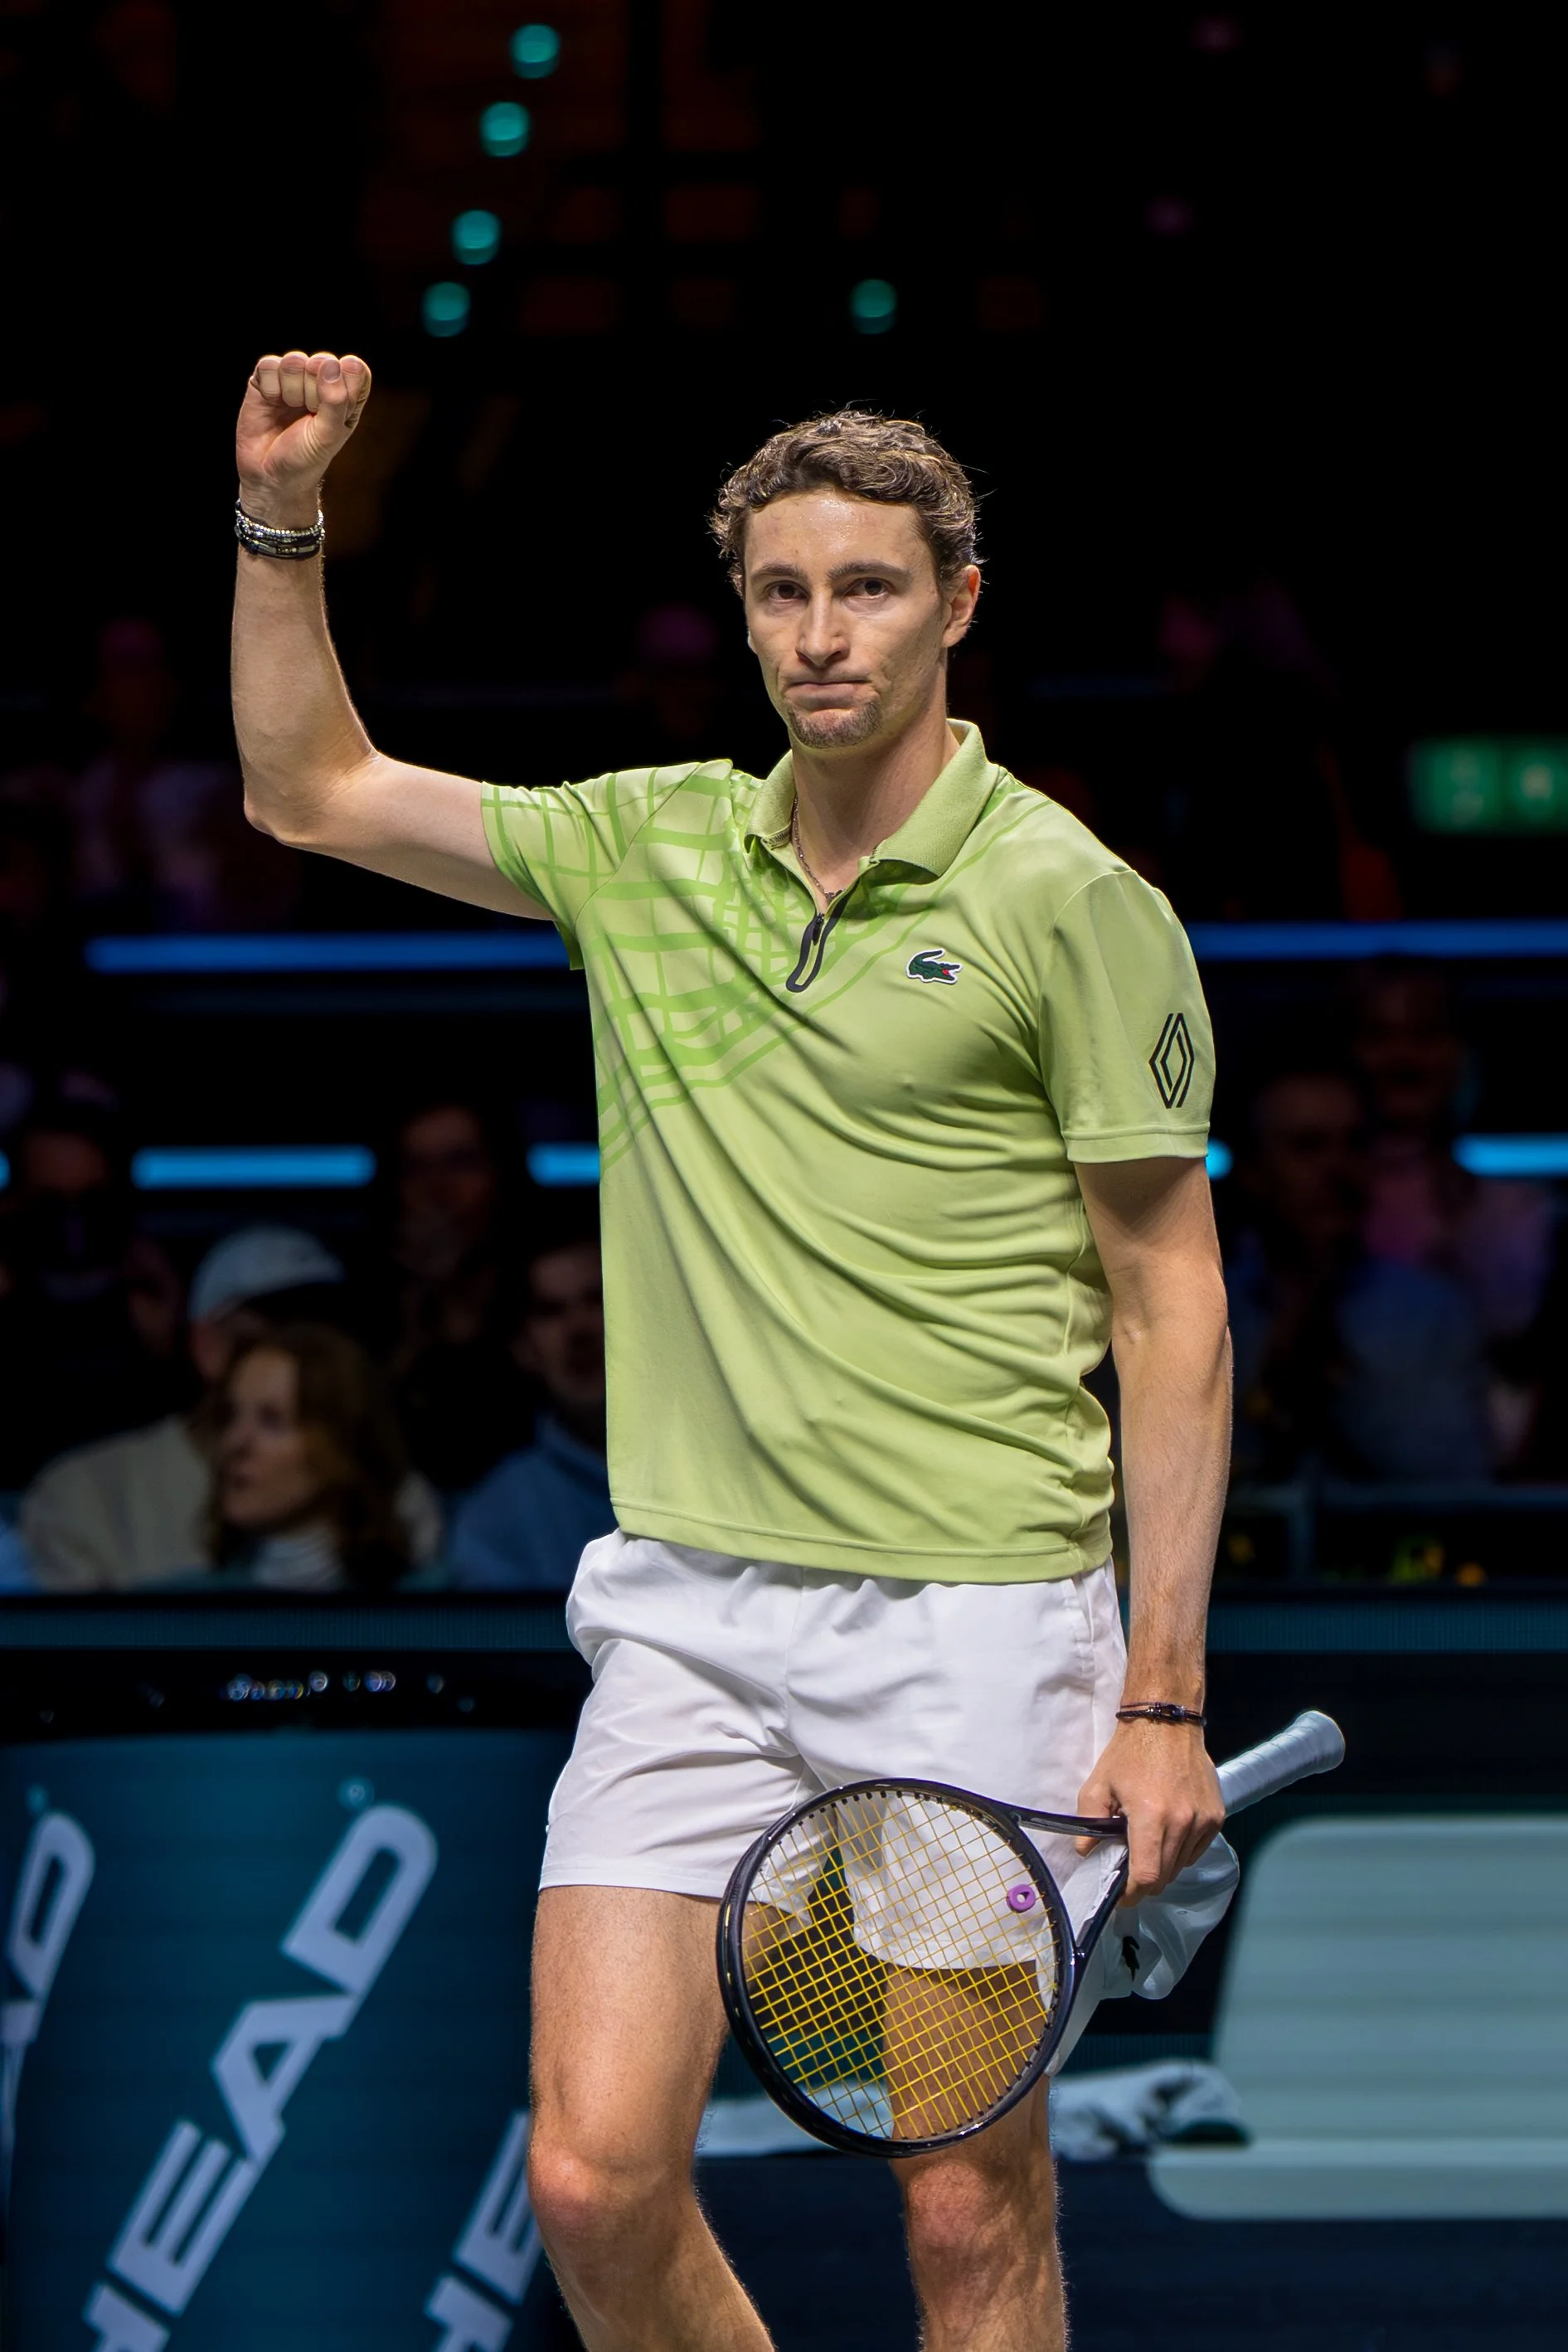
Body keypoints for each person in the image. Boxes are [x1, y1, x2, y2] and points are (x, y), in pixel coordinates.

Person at [232, 352, 1232, 2352]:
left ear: (957, 598)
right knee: (592, 2176)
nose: (819, 633)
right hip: (691, 1608)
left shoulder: (1074, 900)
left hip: (974, 1618)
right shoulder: (647, 847)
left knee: (965, 2208)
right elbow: (306, 790)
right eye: (780, 592)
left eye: (865, 587)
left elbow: (1171, 1301)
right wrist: (283, 518)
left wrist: (1163, 1697)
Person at [21, 1222, 440, 1589]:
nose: (294, 1356)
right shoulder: (86, 1494)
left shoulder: (401, 1497)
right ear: (206, 1346)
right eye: (269, 1330)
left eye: (323, 1338)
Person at [1226, 1064, 1492, 1484]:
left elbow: (1456, 1484)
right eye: (1308, 1146)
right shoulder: (1199, 1314)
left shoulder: (1432, 1313)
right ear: (1251, 1170)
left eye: (1355, 1144)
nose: (1338, 1168)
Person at [1348, 959, 1556, 1465]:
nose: (1403, 1057)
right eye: (1379, 1035)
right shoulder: (1309, 1205)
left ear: (1462, 1054)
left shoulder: (1524, 1216)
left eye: (1426, 1034)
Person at [0, 1092, 183, 1486]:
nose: (75, 1232)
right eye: (48, 1207)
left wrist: (169, 1355)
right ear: (12, 1205)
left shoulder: (162, 1313)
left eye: (95, 1204)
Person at [379, 1096, 536, 1490]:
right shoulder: (368, 1319)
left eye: (460, 1163)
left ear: (502, 1175)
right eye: (416, 1169)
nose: (437, 1189)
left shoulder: (550, 1304)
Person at [449, 1225, 613, 1590]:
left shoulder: (717, 1471)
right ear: (524, 1347)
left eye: (598, 1299)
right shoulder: (493, 1518)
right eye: (550, 1311)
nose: (579, 1329)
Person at [201, 1324, 415, 1592]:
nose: (234, 1443)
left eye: (271, 1420)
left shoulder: (432, 1613)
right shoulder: (176, 1619)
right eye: (231, 1416)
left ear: (341, 1444)